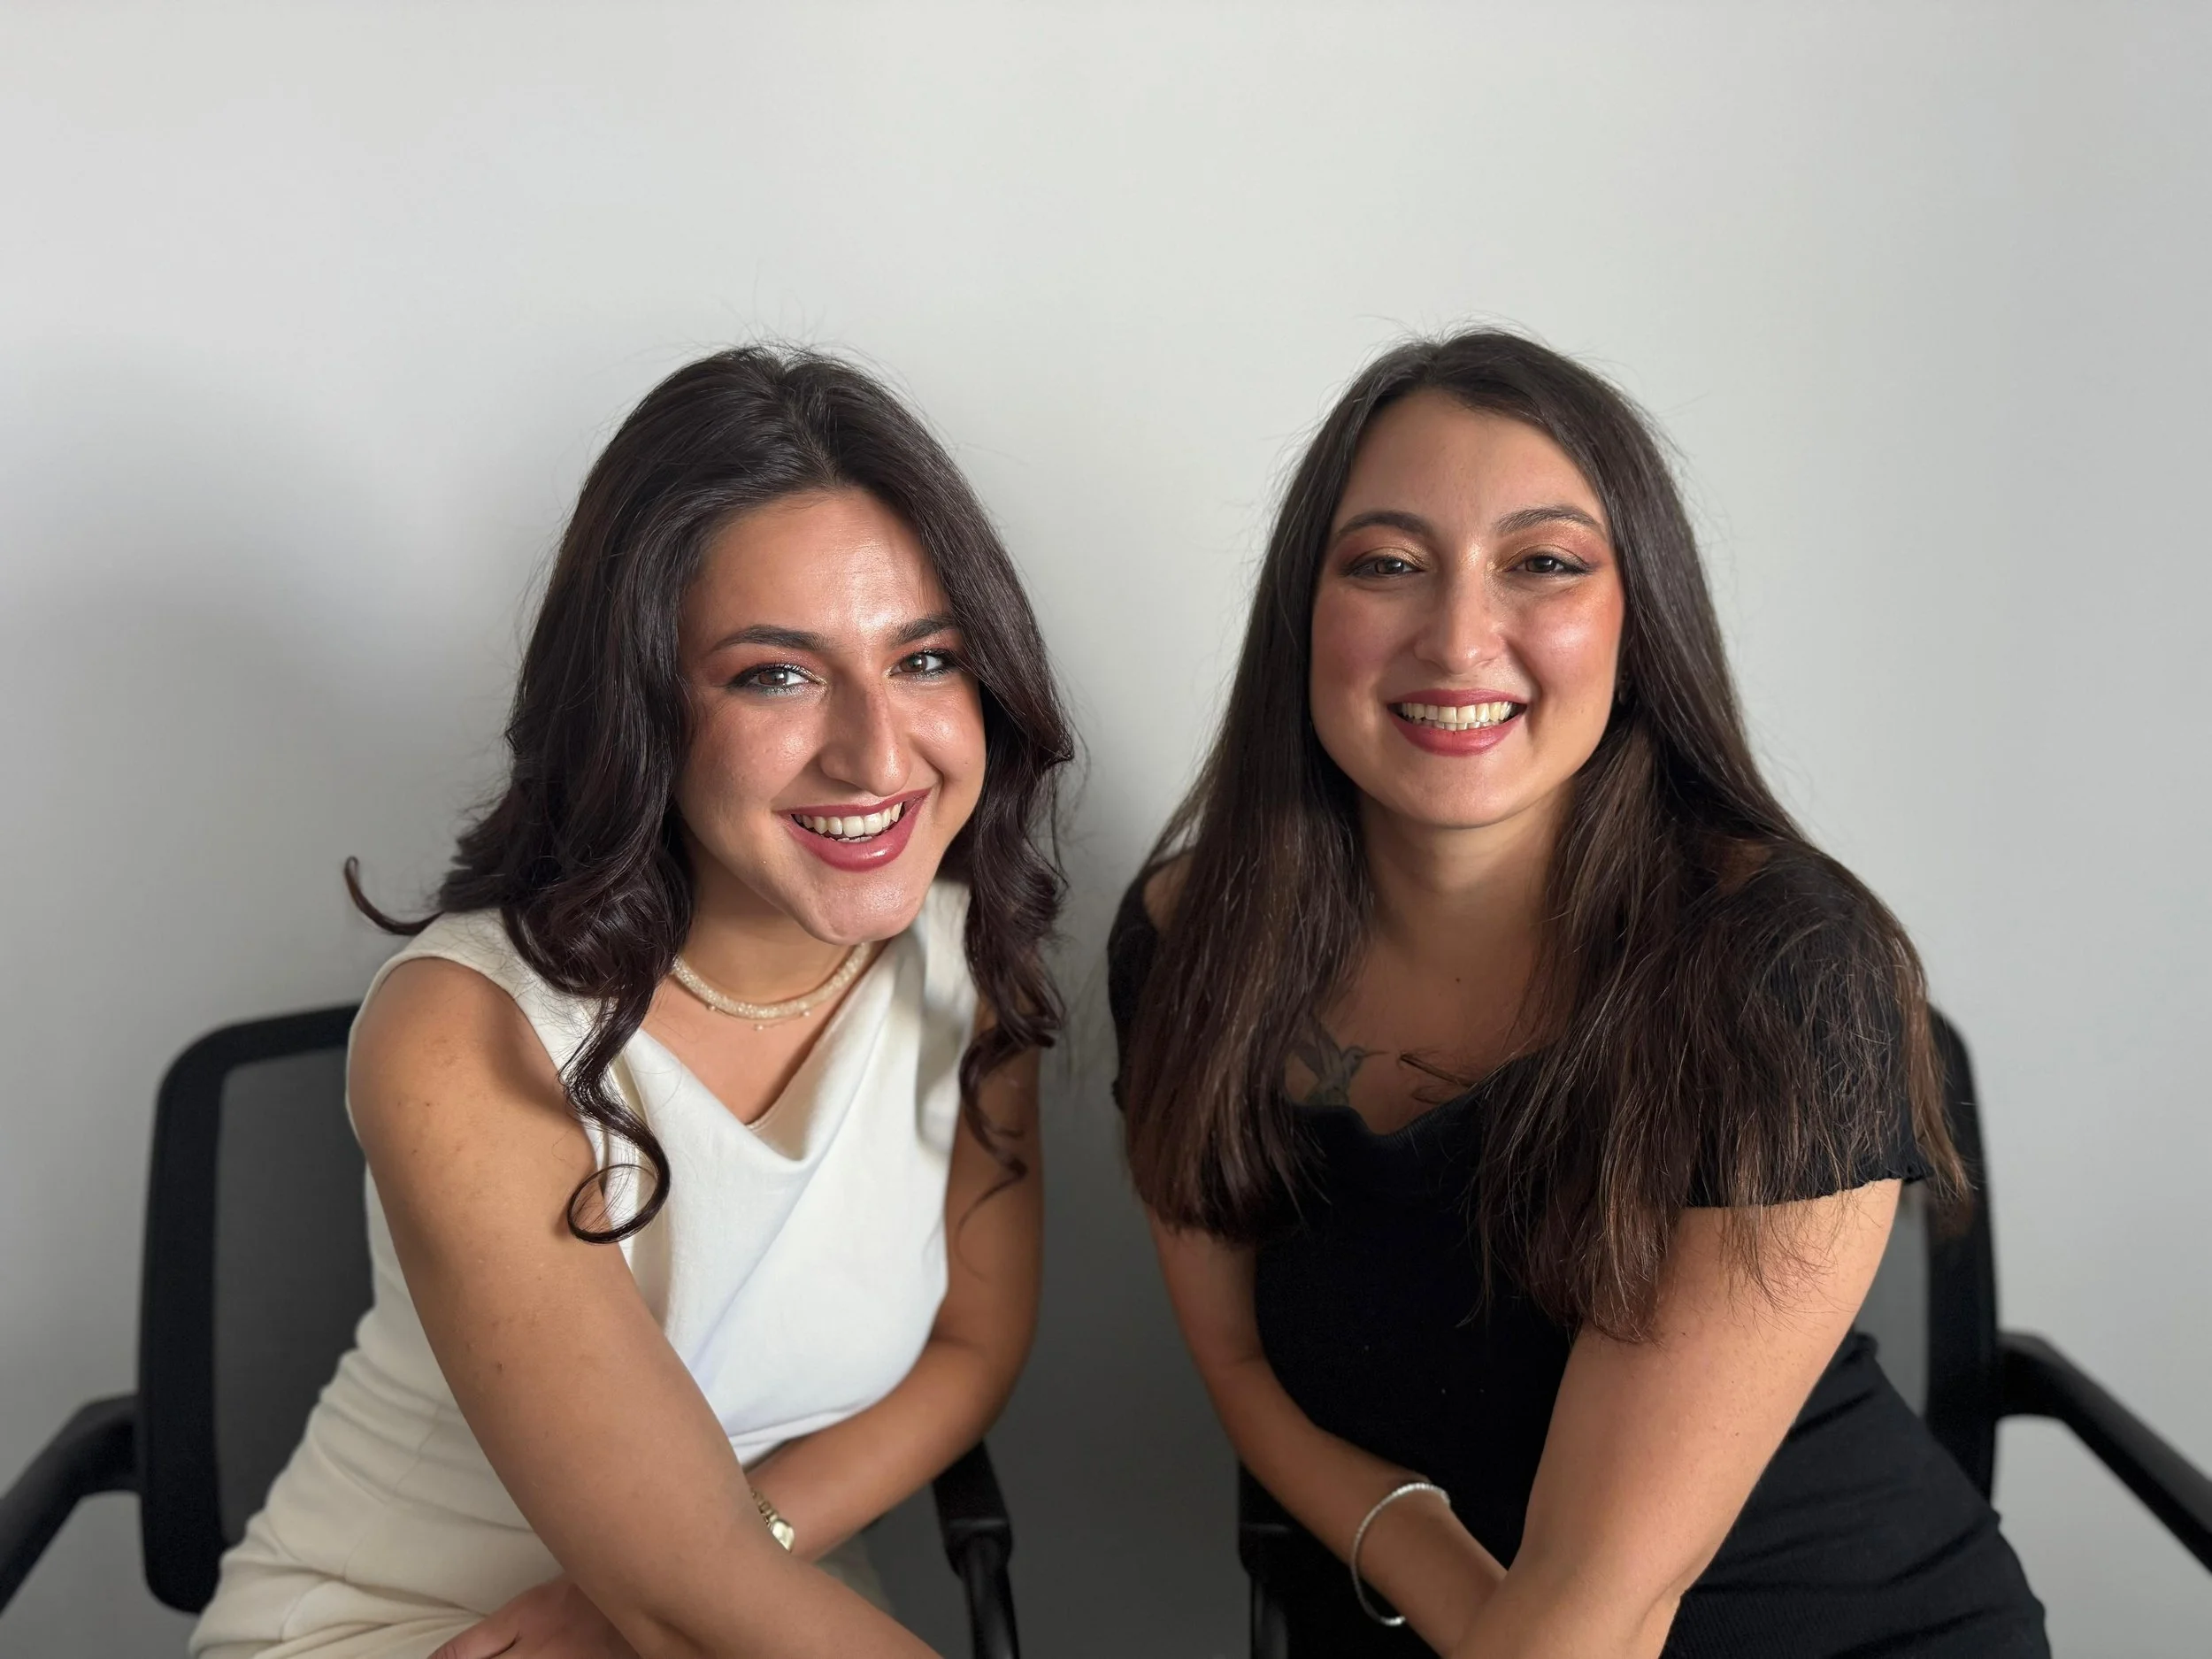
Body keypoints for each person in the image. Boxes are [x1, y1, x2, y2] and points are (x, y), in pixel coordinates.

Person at [1110, 330, 2048, 1657]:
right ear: (1302, 614)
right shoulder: (1192, 942)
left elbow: (1604, 1607)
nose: (1457, 638)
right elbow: (1244, 1370)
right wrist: (1440, 1573)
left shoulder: (1789, 968)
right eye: (1387, 564)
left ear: (1635, 617)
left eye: (1543, 564)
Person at [191, 346, 1071, 1659]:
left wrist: (726, 1550)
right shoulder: (462, 1028)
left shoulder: (973, 961)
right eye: (775, 673)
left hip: (736, 1598)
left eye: (926, 659)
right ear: (637, 705)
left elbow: (970, 1348)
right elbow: (678, 1591)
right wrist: (673, 1582)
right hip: (429, 1626)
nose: (877, 753)